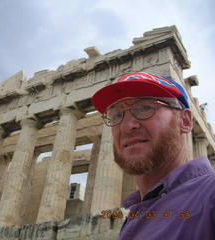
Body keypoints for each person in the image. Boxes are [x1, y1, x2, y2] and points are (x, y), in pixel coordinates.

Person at [91, 72, 215, 240]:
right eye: (117, 115)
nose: (127, 126)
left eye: (145, 108)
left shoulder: (209, 195)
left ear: (185, 121)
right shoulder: (135, 214)